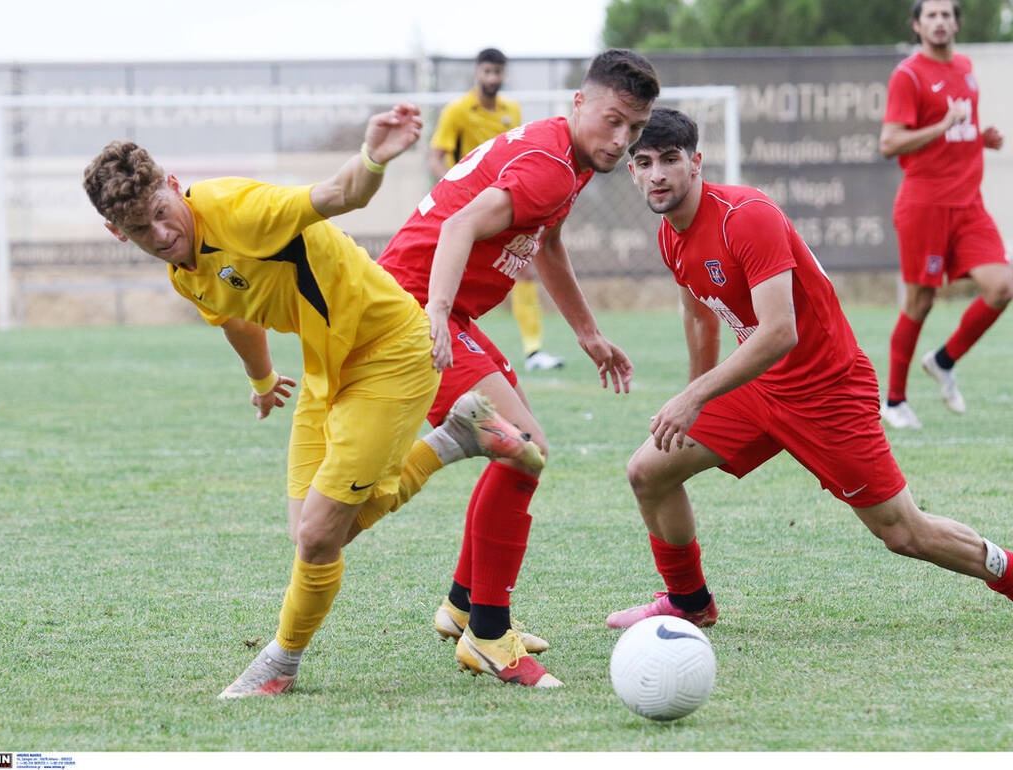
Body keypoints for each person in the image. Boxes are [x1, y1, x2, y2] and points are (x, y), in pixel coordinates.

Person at [82, 103, 543, 699]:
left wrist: (373, 155)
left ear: (174, 187)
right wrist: (261, 378)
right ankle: (455, 438)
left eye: (162, 214)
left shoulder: (236, 210)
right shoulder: (182, 268)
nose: (162, 235)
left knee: (322, 536)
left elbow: (336, 195)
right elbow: (232, 316)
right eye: (141, 230)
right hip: (328, 368)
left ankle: (279, 663)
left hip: (390, 354)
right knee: (312, 534)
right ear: (116, 233)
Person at [605, 107, 1013, 632]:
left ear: (696, 163)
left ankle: (1007, 571)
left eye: (669, 159)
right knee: (648, 471)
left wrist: (694, 396)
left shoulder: (745, 216)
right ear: (633, 172)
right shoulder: (670, 234)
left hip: (828, 391)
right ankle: (689, 603)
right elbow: (698, 313)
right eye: (644, 162)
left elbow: (781, 332)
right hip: (757, 386)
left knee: (903, 533)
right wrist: (697, 395)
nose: (657, 173)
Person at [376, 48, 661, 687]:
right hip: (413, 313)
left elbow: (548, 243)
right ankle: (487, 634)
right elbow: (457, 228)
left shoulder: (568, 158)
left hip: (432, 308)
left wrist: (588, 334)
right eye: (614, 121)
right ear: (579, 103)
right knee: (524, 449)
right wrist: (436, 315)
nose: (623, 140)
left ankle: (462, 607)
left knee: (518, 447)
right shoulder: (553, 168)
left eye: (636, 130)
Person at [878, 0, 1011, 430]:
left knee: (1002, 286)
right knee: (921, 300)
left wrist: (977, 137)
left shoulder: (966, 68)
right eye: (930, 15)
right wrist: (942, 126)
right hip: (925, 206)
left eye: (946, 15)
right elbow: (890, 143)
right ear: (917, 25)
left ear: (956, 23)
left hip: (968, 205)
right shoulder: (909, 75)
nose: (940, 22)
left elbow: (956, 127)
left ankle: (943, 360)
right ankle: (894, 401)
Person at [429, 47, 565, 373]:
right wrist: (455, 190)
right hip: (467, 210)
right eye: (487, 72)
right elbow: (436, 156)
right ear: (477, 73)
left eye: (498, 72)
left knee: (523, 268)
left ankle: (533, 350)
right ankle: (438, 335)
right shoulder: (457, 111)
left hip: (501, 205)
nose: (492, 78)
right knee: (456, 276)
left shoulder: (512, 111)